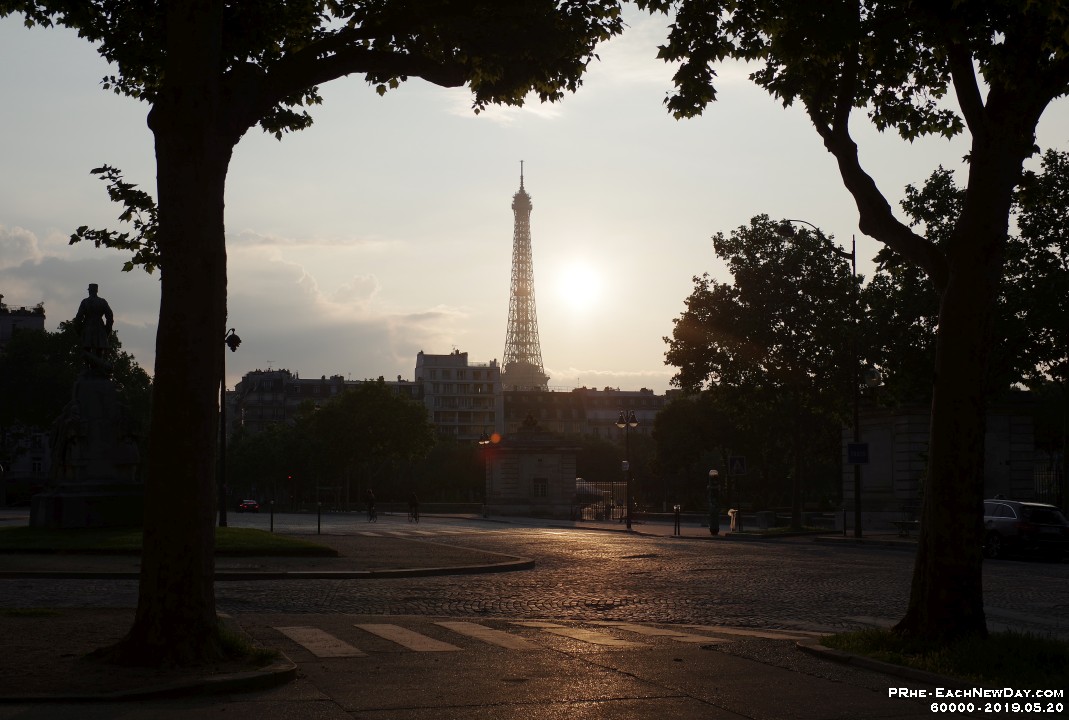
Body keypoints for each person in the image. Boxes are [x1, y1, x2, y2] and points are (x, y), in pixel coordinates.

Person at [75, 283, 114, 360]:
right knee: (100, 354)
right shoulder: (102, 302)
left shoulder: (85, 302)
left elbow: (78, 318)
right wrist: (107, 331)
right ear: (97, 291)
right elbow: (110, 317)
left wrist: (80, 332)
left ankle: (87, 368)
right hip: (100, 329)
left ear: (89, 291)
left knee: (86, 352)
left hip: (87, 329)